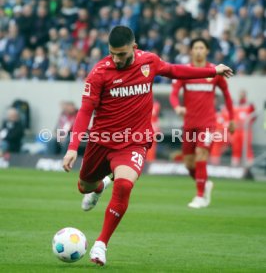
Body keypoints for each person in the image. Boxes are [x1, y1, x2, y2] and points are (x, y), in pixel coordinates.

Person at [62, 26, 233, 265]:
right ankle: (99, 187)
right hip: (102, 141)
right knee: (84, 186)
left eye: (121, 54)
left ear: (134, 47)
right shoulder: (99, 73)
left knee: (123, 185)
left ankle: (101, 244)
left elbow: (174, 70)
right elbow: (85, 111)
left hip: (134, 141)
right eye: (112, 53)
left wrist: (212, 70)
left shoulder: (148, 62)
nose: (116, 59)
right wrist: (72, 147)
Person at [170, 38, 235, 209]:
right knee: (188, 163)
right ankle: (205, 184)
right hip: (189, 124)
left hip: (207, 123)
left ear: (207, 51)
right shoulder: (185, 72)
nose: (198, 50)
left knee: (201, 154)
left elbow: (227, 96)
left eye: (202, 48)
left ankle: (200, 196)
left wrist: (232, 118)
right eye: (195, 48)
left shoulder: (214, 72)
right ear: (191, 51)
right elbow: (174, 94)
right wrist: (177, 107)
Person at [231, 90, 256, 166]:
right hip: (236, 130)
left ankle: (249, 165)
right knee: (236, 148)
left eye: (243, 94)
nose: (241, 95)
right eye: (240, 94)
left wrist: (248, 124)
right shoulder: (235, 104)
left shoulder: (249, 105)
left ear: (245, 95)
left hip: (245, 130)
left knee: (247, 147)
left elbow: (253, 116)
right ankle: (235, 164)